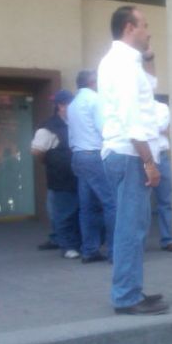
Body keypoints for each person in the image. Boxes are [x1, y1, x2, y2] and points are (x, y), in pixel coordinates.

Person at [98, 5, 169, 315]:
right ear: (129, 27)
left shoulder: (127, 62)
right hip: (130, 155)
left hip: (125, 154)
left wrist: (149, 56)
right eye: (145, 26)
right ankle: (126, 296)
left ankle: (131, 289)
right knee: (131, 228)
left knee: (135, 226)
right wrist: (148, 163)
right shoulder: (123, 64)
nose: (149, 32)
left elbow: (149, 89)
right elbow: (131, 118)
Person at [68, 70, 116, 264]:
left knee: (87, 207)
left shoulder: (73, 104)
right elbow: (105, 129)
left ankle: (89, 250)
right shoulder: (95, 100)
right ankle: (115, 251)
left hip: (78, 155)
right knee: (111, 203)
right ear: (92, 82)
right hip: (94, 154)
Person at [31, 89, 81, 259]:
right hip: (61, 177)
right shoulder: (48, 128)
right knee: (63, 213)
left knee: (75, 211)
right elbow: (37, 151)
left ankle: (72, 242)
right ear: (61, 106)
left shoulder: (76, 124)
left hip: (77, 175)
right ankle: (67, 246)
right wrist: (53, 162)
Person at [150, 100, 172, 252]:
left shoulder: (162, 107)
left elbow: (162, 126)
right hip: (141, 157)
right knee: (140, 202)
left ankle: (167, 239)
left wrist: (145, 128)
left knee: (165, 200)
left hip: (161, 156)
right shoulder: (133, 105)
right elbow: (160, 128)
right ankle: (138, 241)